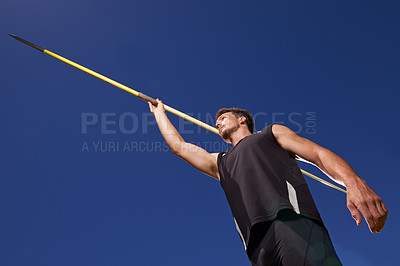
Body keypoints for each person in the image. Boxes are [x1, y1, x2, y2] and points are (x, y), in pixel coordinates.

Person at [148, 99, 388, 266]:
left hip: (291, 221)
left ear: (242, 119)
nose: (218, 122)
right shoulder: (219, 162)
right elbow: (179, 147)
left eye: (223, 118)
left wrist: (353, 182)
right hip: (256, 244)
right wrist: (159, 114)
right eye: (217, 121)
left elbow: (317, 154)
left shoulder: (270, 134)